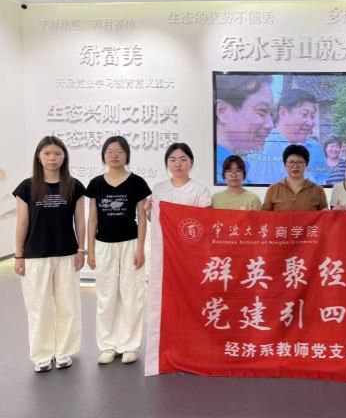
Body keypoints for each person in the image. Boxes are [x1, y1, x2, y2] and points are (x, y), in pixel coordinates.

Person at [13, 136, 85, 372]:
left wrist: (81, 249)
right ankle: (42, 355)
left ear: (64, 157)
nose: (52, 158)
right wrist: (18, 256)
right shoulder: (26, 187)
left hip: (67, 254)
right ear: (39, 156)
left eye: (57, 153)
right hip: (35, 255)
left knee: (68, 305)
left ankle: (64, 351)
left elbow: (80, 221)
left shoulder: (73, 186)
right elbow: (22, 223)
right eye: (47, 153)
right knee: (38, 307)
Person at [144, 143, 211, 375]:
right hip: (166, 256)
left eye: (183, 159)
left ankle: (193, 347)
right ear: (167, 163)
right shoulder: (159, 189)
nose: (178, 164)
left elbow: (204, 223)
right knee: (168, 300)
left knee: (192, 300)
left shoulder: (200, 190)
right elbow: (158, 223)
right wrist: (148, 212)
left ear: (191, 162)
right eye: (172, 160)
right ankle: (170, 347)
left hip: (191, 257)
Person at [86, 136, 152, 365]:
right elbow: (92, 219)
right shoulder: (95, 184)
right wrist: (90, 250)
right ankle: (108, 345)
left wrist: (141, 248)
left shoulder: (137, 182)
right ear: (103, 156)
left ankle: (130, 345)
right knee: (106, 295)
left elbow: (142, 218)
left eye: (119, 151)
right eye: (109, 151)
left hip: (130, 243)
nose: (114, 155)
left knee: (132, 293)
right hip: (103, 244)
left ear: (127, 155)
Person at [250, 89, 328, 185]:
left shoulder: (299, 148)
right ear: (283, 112)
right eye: (304, 114)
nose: (310, 122)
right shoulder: (267, 148)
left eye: (312, 116)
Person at [215, 74, 275, 183]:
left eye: (271, 114)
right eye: (262, 111)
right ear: (222, 111)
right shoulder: (218, 179)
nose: (270, 125)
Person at [262, 144, 328, 211]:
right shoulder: (273, 189)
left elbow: (324, 215)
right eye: (291, 162)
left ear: (306, 165)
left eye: (300, 162)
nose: (295, 166)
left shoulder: (318, 190)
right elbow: (264, 215)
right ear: (285, 165)